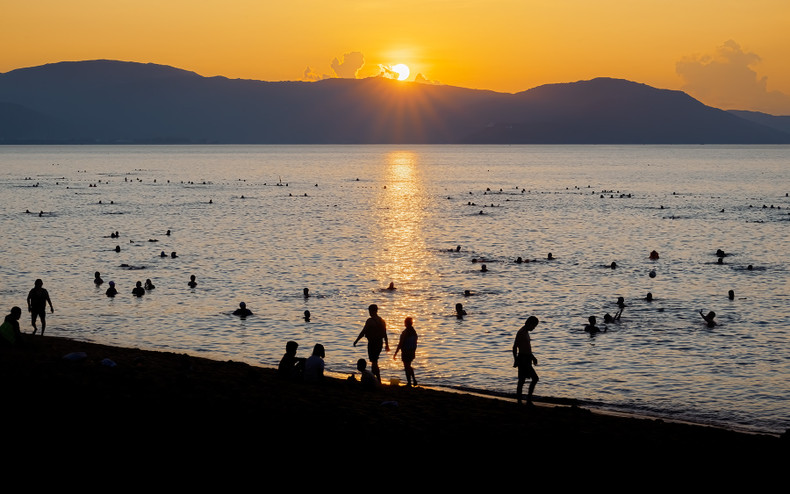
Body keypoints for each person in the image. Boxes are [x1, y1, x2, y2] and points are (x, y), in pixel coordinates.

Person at [353, 304, 389, 383]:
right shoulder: (382, 321)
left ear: (372, 311)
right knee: (374, 361)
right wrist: (387, 345)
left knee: (374, 361)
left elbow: (363, 332)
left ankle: (378, 379)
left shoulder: (370, 321)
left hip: (372, 343)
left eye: (369, 311)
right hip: (380, 343)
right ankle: (374, 378)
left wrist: (356, 340)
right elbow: (385, 334)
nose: (369, 313)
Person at [513, 316, 539, 406]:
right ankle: (524, 401)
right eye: (534, 326)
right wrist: (516, 359)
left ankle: (523, 400)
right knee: (532, 379)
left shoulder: (526, 332)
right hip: (522, 359)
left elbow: (527, 348)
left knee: (522, 380)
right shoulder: (521, 332)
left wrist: (533, 357)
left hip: (527, 358)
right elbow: (515, 347)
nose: (534, 328)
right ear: (529, 323)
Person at [393, 317, 418, 386]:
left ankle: (409, 382)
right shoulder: (414, 332)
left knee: (407, 367)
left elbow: (400, 343)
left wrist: (395, 353)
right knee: (408, 366)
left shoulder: (405, 332)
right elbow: (415, 342)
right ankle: (413, 380)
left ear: (406, 323)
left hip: (406, 351)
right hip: (412, 351)